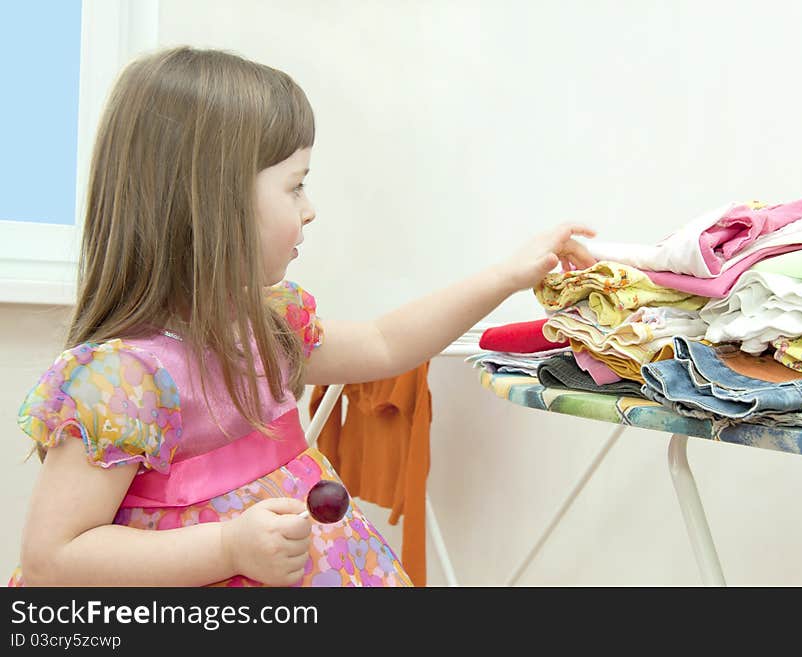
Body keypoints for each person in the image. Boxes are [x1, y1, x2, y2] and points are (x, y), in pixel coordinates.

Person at [9, 46, 596, 587]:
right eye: (295, 187)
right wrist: (228, 547)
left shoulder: (264, 328)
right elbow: (52, 560)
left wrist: (507, 276)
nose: (309, 211)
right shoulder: (122, 382)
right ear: (214, 204)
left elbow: (385, 343)